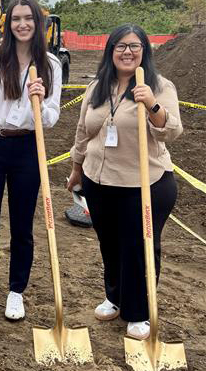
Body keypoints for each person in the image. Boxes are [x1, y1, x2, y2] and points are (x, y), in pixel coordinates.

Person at [67, 24, 182, 340]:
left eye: (134, 46)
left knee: (140, 247)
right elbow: (82, 130)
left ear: (144, 51)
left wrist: (151, 105)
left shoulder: (160, 85)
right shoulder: (96, 88)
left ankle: (140, 312)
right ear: (110, 51)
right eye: (120, 46)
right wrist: (77, 169)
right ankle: (115, 297)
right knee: (110, 244)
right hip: (99, 180)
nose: (127, 52)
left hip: (145, 182)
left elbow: (171, 130)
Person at [0, 0, 62, 320]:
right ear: (9, 23)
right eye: (16, 18)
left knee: (22, 226)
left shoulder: (51, 65)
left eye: (28, 18)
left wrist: (41, 101)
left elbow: (51, 117)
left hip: (27, 149)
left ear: (38, 23)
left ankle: (16, 292)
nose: (22, 24)